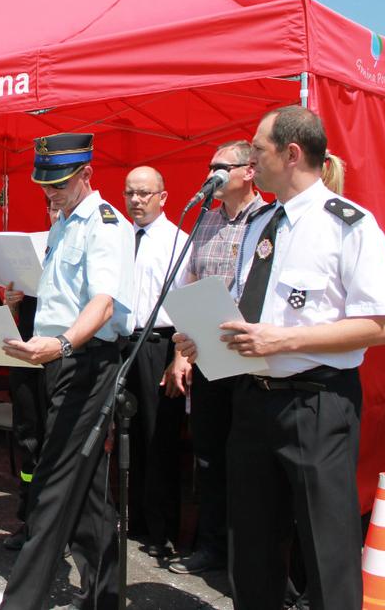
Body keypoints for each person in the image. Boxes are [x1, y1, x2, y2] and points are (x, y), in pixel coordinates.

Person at [174, 106, 385, 609]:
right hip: (252, 401)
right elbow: (247, 309)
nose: (251, 162)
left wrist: (284, 342)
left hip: (317, 407)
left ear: (292, 154)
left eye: (258, 150)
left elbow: (384, 325)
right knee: (251, 553)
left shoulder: (349, 226)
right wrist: (206, 339)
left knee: (326, 553)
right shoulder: (262, 225)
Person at [0, 133, 135, 609]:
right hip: (58, 362)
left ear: (86, 175)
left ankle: (20, 602)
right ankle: (106, 596)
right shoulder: (63, 222)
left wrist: (59, 344)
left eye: (58, 183)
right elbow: (64, 296)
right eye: (44, 184)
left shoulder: (104, 224)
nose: (50, 193)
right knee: (88, 495)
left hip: (85, 363)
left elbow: (102, 304)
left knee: (54, 490)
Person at [162, 139, 265, 576]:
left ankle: (251, 553)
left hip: (254, 362)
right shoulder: (203, 221)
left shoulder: (269, 221)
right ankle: (211, 545)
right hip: (208, 359)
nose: (211, 175)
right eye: (209, 167)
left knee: (250, 460)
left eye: (221, 167)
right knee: (209, 455)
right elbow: (188, 286)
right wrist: (180, 353)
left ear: (248, 171)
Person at [122, 166, 188, 558]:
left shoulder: (177, 241)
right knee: (126, 434)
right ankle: (134, 518)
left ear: (163, 197)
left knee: (158, 438)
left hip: (159, 345)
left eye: (145, 193)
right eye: (130, 193)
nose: (136, 201)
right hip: (122, 344)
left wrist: (179, 355)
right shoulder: (119, 238)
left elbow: (183, 303)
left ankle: (162, 529)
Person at [0, 198, 61, 551]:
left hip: (60, 354)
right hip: (25, 352)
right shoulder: (35, 245)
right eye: (50, 207)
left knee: (57, 441)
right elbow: (14, 307)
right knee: (28, 438)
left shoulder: (80, 246)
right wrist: (12, 299)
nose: (54, 212)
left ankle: (57, 525)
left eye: (59, 205)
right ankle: (30, 519)